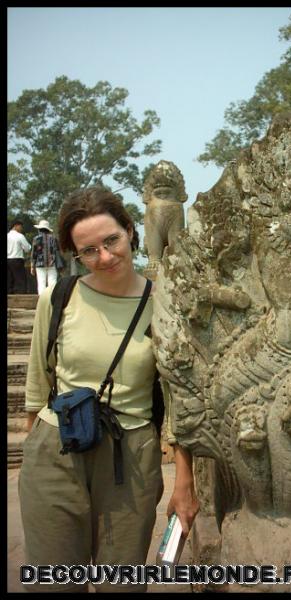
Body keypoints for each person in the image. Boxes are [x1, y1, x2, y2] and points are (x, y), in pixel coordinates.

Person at [19, 187, 199, 593]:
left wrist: (184, 485)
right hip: (57, 447)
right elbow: (37, 382)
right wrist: (37, 449)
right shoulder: (59, 298)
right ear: (75, 255)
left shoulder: (165, 306)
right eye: (88, 250)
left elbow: (180, 399)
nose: (104, 257)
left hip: (130, 458)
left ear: (131, 231)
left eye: (111, 241)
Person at [30, 219, 63, 295]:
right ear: (48, 230)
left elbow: (34, 253)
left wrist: (32, 266)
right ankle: (52, 300)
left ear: (39, 229)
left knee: (41, 283)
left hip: (39, 264)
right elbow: (57, 251)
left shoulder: (36, 239)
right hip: (52, 263)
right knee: (52, 282)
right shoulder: (54, 239)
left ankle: (42, 301)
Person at [7, 219, 31, 294]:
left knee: (9, 279)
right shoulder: (20, 236)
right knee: (20, 280)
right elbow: (27, 248)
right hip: (17, 259)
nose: (21, 229)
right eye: (20, 227)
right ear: (16, 226)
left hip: (8, 259)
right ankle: (20, 296)